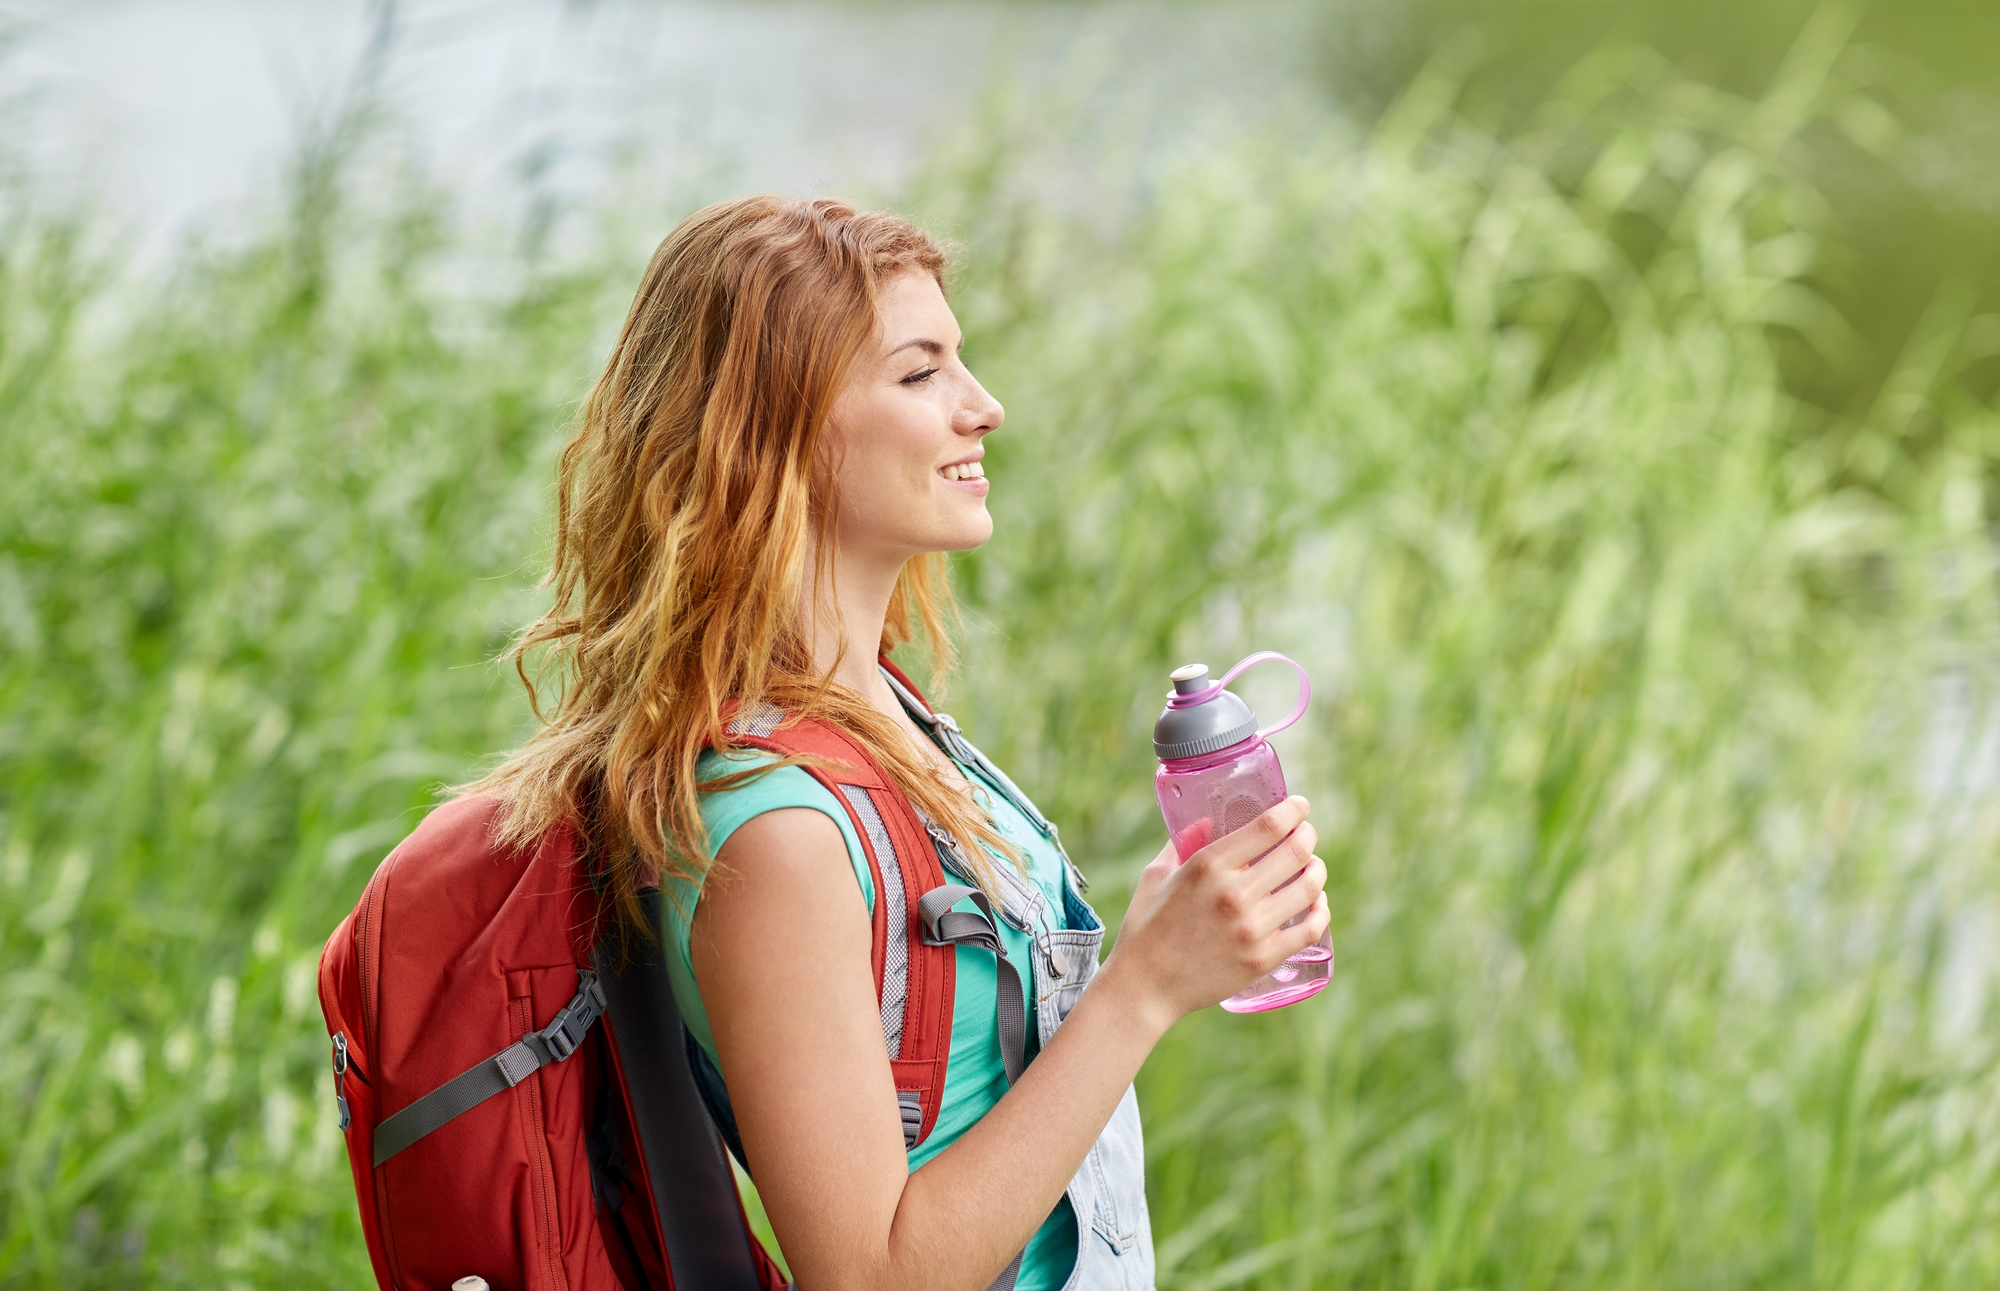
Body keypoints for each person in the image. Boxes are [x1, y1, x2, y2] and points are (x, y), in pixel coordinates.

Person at [467, 195, 1329, 1291]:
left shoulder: (880, 713)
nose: (986, 408)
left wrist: (1175, 930)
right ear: (771, 434)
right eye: (920, 374)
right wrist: (1147, 985)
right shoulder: (772, 831)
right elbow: (870, 1275)